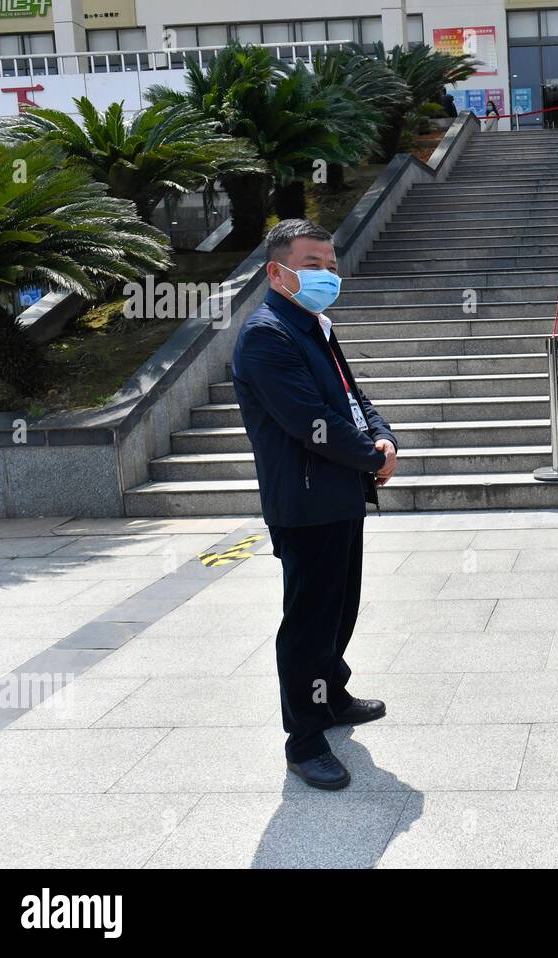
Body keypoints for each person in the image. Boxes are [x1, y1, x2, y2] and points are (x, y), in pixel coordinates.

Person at [231, 219, 398, 791]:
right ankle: (303, 740)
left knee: (341, 607)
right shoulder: (266, 335)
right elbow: (312, 424)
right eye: (313, 264)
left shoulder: (315, 326)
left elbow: (353, 397)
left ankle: (332, 695)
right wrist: (369, 457)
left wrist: (384, 437)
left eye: (331, 263)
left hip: (340, 494)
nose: (327, 274)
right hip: (305, 501)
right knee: (308, 621)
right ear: (278, 272)